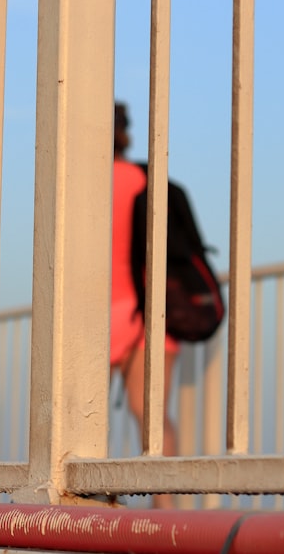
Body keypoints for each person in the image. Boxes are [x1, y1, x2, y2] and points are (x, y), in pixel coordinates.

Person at [111, 101, 178, 509]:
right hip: (152, 310)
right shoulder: (144, 179)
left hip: (100, 313)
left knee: (72, 418)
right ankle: (166, 511)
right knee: (150, 415)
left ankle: (78, 509)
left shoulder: (80, 183)